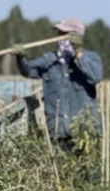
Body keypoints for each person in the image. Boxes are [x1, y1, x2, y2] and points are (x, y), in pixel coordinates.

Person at [15, 17, 104, 152]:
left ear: (76, 36)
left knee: (88, 165)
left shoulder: (91, 58)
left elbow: (96, 77)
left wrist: (78, 52)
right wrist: (21, 58)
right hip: (58, 134)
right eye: (59, 34)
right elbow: (29, 71)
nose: (61, 38)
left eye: (65, 34)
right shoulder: (50, 60)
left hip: (85, 133)